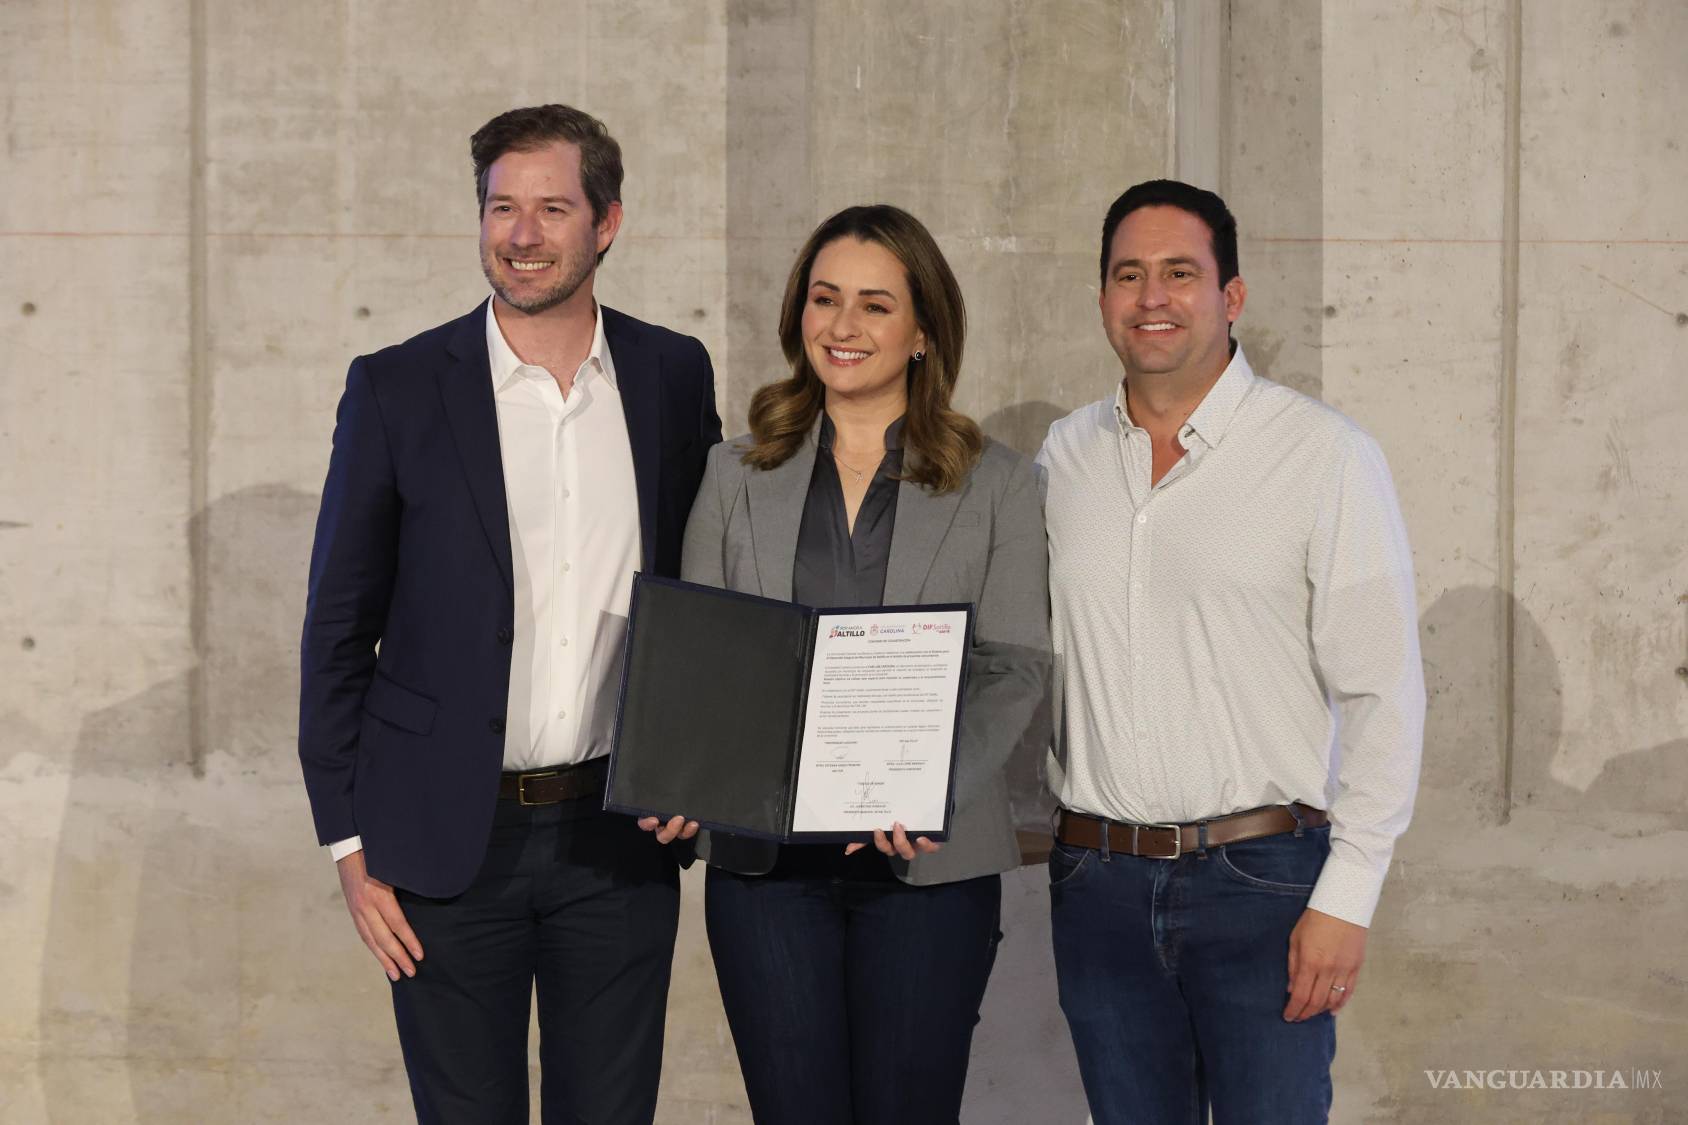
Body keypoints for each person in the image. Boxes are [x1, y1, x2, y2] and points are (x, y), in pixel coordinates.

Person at [298, 103, 721, 1124]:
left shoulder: (671, 375)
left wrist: (699, 765)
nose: (521, 234)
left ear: (606, 222)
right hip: (443, 842)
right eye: (501, 208)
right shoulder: (397, 387)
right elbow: (336, 628)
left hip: (617, 841)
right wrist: (349, 852)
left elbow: (705, 596)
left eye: (551, 208)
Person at [640, 204, 1051, 1123]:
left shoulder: (1001, 483)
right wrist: (682, 774)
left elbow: (1015, 663)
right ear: (798, 317)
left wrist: (932, 786)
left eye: (874, 304)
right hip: (766, 873)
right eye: (825, 300)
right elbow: (705, 659)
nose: (844, 326)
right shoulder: (734, 471)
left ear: (922, 331)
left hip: (928, 869)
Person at [1036, 180, 1425, 1124]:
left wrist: (1349, 894)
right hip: (1098, 883)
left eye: (1181, 273)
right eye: (1129, 275)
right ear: (1102, 300)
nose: (1152, 297)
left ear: (1232, 296)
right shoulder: (1062, 458)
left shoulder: (1323, 456)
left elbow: (1384, 693)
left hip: (1265, 886)